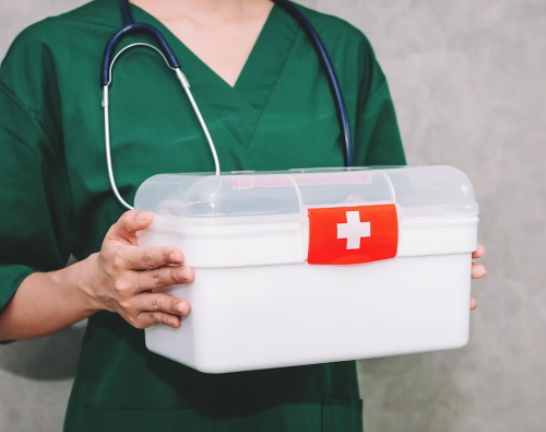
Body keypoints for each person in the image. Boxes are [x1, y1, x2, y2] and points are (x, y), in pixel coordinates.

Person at [0, 0, 487, 430]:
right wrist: (93, 287)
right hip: (141, 407)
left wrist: (420, 268)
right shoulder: (55, 54)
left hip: (307, 412)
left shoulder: (339, 52)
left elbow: (383, 227)